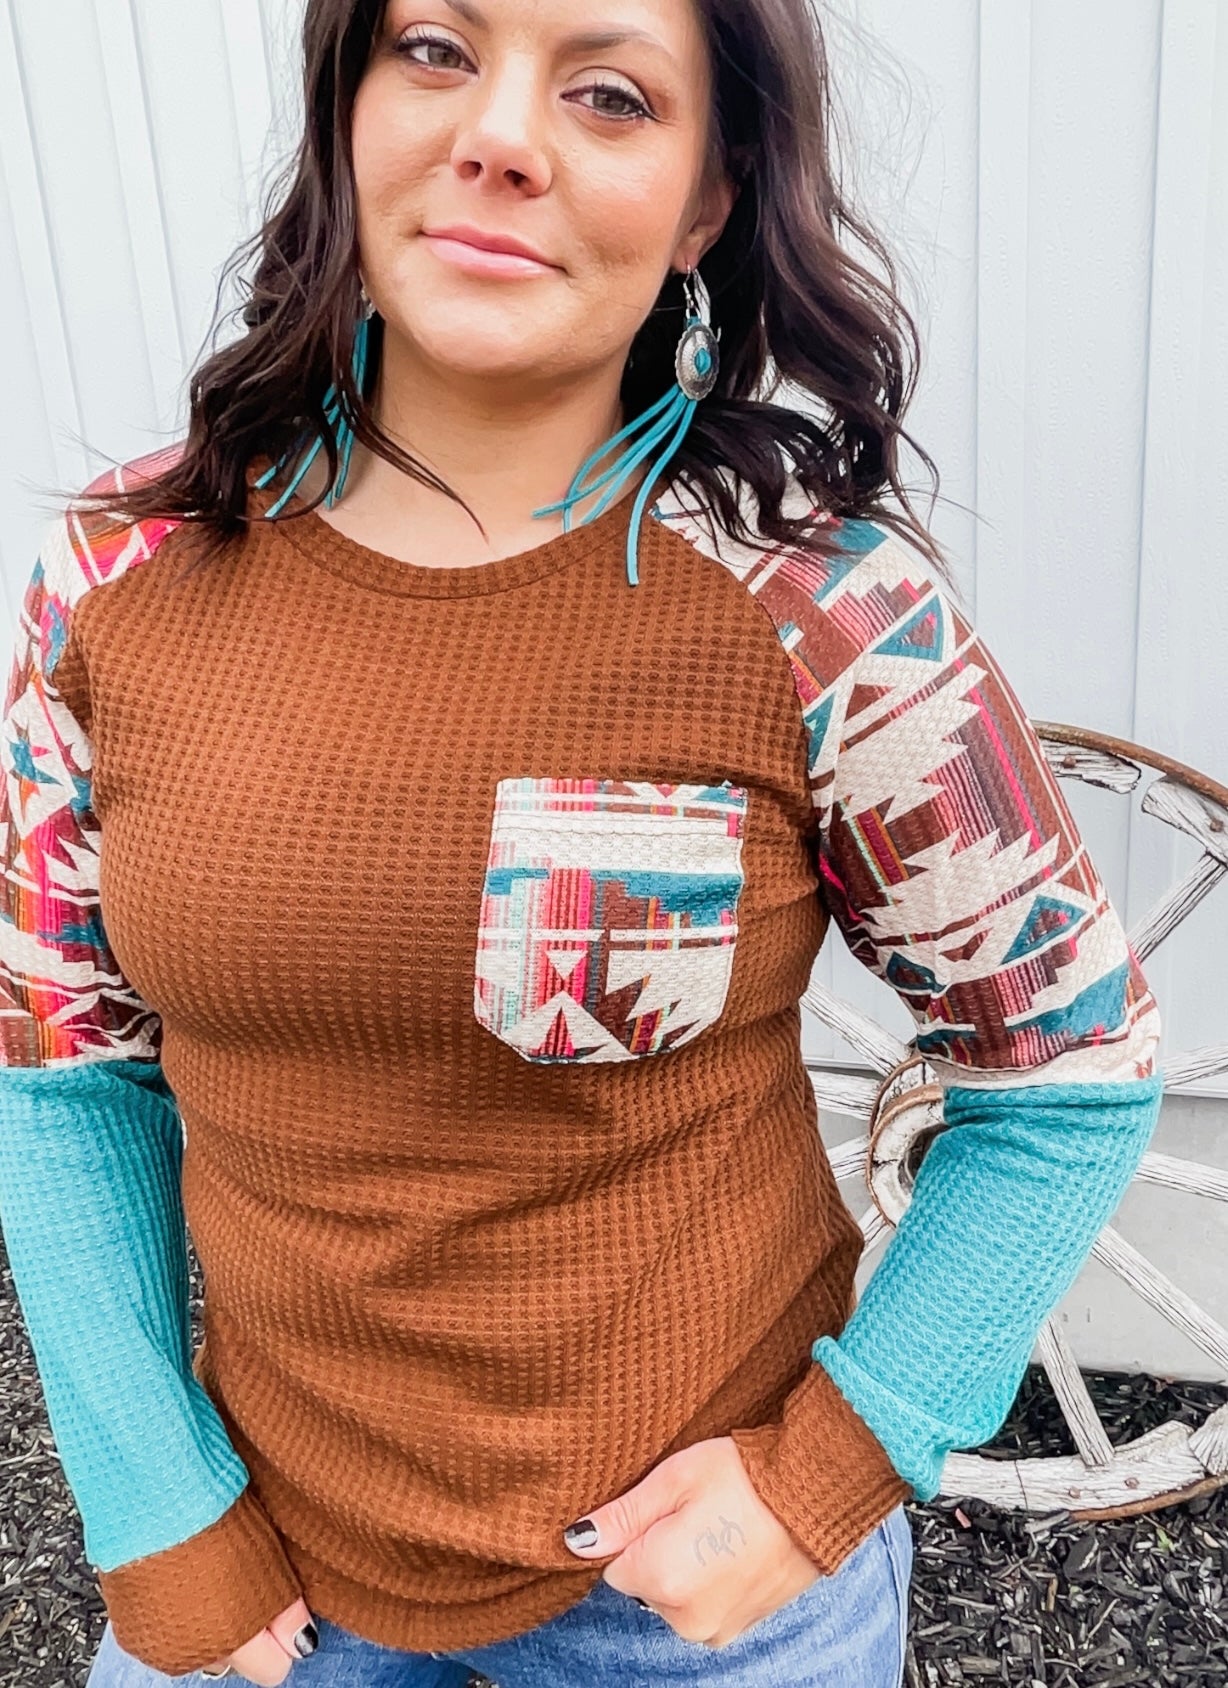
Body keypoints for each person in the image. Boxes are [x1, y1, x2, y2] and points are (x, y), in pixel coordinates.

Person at [0, 0, 1164, 1684]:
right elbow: (64, 1076)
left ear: (708, 200)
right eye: (434, 49)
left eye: (611, 94)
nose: (501, 136)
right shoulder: (116, 578)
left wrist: (833, 1469)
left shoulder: (824, 614)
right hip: (265, 1562)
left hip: (694, 1601)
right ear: (345, 111)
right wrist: (149, 1498)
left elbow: (1069, 1067)